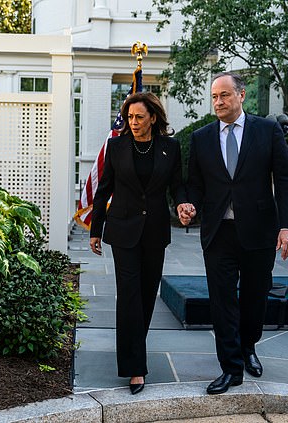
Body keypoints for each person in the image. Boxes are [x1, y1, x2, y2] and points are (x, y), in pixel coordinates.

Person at [179, 72, 288, 395]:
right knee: (222, 301)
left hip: (259, 231)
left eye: (224, 96)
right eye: (214, 97)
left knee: (255, 298)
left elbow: (285, 181)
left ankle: (248, 346)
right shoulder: (201, 138)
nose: (218, 102)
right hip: (218, 233)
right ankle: (231, 367)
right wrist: (189, 204)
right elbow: (196, 185)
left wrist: (287, 225)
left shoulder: (267, 130)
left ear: (241, 95)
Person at [89, 92, 191, 395]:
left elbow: (177, 186)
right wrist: (96, 228)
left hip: (155, 231)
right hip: (123, 230)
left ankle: (135, 347)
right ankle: (135, 367)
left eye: (139, 117)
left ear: (153, 118)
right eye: (130, 117)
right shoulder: (117, 146)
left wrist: (184, 204)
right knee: (130, 295)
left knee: (147, 296)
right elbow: (104, 187)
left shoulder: (170, 148)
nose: (133, 122)